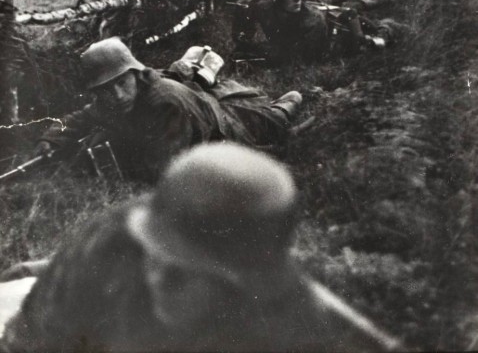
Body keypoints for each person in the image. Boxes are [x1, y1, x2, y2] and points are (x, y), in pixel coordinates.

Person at [0, 142, 400, 353]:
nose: (156, 277)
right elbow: (31, 336)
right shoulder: (112, 242)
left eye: (182, 272)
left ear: (246, 283)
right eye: (154, 256)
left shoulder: (305, 333)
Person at [34, 37, 303, 183]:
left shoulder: (164, 102)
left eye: (121, 82)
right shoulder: (113, 102)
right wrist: (52, 138)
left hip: (228, 131)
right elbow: (81, 118)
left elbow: (163, 170)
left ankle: (292, 101)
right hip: (202, 104)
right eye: (105, 89)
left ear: (136, 75)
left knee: (274, 121)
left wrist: (103, 164)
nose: (116, 94)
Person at [232, 0, 396, 65]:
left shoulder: (312, 20)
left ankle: (387, 26)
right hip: (323, 12)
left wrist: (258, 52)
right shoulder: (264, 7)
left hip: (336, 31)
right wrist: (243, 40)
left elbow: (301, 59)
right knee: (333, 4)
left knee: (364, 41)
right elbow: (243, 5)